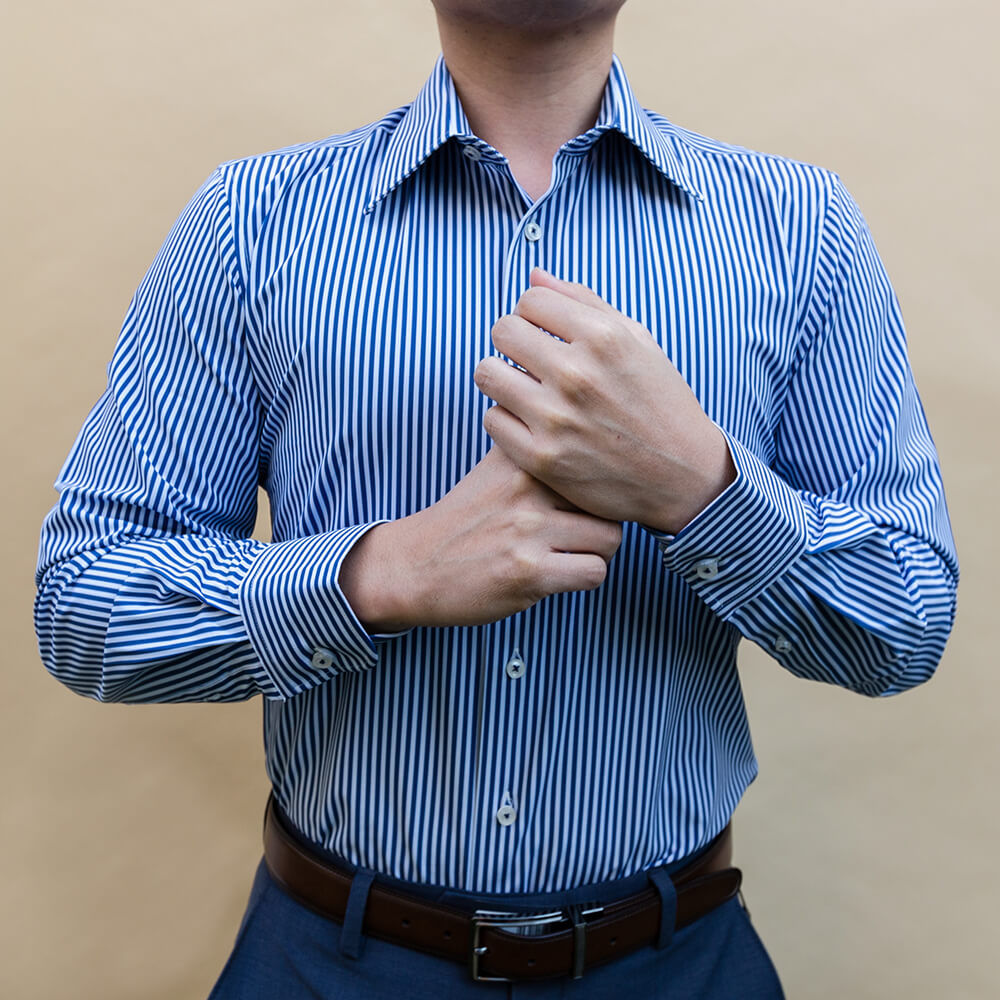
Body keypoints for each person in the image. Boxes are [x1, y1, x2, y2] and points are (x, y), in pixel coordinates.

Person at [35, 1, 958, 996]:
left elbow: (900, 623)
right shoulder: (248, 223)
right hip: (329, 964)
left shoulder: (799, 230)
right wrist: (382, 575)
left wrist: (697, 487)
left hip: (678, 965)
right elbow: (87, 601)